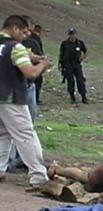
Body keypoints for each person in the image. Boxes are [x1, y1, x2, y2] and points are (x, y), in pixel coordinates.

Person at [0, 15, 50, 186]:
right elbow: (30, 73)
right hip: (11, 97)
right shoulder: (16, 47)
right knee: (25, 134)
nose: (26, 35)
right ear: (14, 28)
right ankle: (38, 175)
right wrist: (42, 65)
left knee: (3, 134)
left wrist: (33, 58)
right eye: (23, 31)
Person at [58, 28, 88, 104]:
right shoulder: (64, 43)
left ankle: (83, 97)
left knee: (80, 80)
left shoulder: (80, 43)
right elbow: (61, 54)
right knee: (70, 81)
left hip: (77, 64)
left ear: (76, 34)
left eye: (73, 34)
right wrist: (60, 64)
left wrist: (82, 57)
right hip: (67, 65)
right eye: (71, 34)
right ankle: (72, 97)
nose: (72, 36)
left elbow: (85, 51)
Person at [32, 24, 45, 105]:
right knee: (37, 81)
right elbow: (38, 50)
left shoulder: (30, 37)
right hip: (35, 62)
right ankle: (35, 99)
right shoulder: (35, 38)